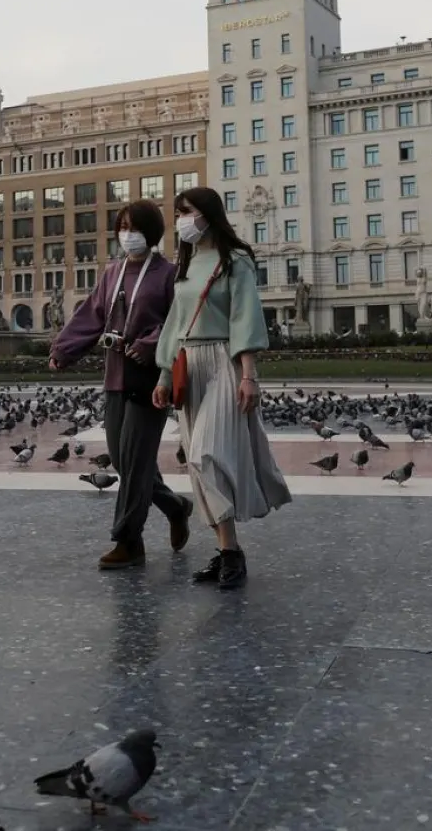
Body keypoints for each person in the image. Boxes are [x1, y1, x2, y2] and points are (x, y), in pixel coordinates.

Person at [153, 186, 292, 590]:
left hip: (223, 362)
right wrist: (164, 376)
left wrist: (249, 376)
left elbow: (244, 318)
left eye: (187, 211)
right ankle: (227, 550)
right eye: (177, 212)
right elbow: (174, 325)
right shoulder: (186, 263)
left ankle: (231, 553)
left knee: (204, 455)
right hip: (187, 366)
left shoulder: (236, 261)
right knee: (197, 467)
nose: (181, 219)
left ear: (208, 214)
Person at [50, 200, 192, 570]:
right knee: (125, 461)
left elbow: (179, 323)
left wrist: (148, 345)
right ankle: (176, 507)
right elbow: (91, 315)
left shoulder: (168, 274)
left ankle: (129, 542)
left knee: (134, 462)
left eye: (136, 226)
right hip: (115, 377)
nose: (128, 233)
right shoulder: (111, 274)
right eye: (123, 226)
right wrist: (64, 350)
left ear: (154, 232)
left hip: (150, 382)